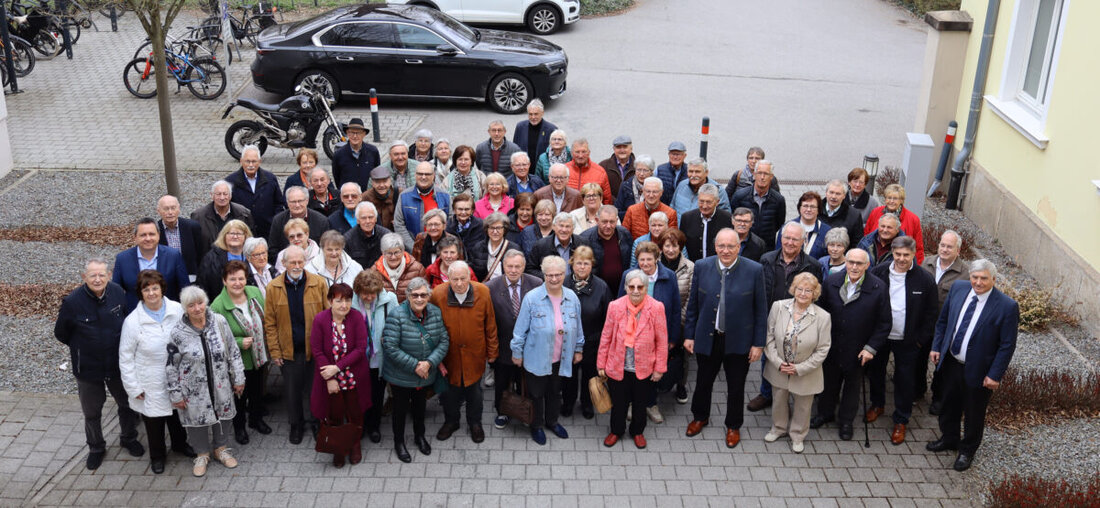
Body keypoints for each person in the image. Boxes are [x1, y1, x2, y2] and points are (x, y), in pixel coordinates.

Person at [927, 259, 1018, 472]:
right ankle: (949, 438)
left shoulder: (1006, 306)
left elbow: (1007, 345)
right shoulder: (959, 288)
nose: (978, 282)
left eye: (984, 278)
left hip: (979, 370)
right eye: (975, 277)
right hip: (950, 362)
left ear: (994, 280)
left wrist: (995, 375)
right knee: (948, 404)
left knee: (974, 412)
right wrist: (937, 346)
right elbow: (943, 321)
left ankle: (967, 450)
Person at [56, 259, 144, 471]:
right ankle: (96, 448)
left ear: (109, 275)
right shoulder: (72, 302)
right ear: (84, 277)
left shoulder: (117, 292)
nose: (97, 279)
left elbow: (126, 321)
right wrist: (83, 347)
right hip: (88, 368)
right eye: (92, 275)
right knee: (92, 412)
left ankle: (128, 437)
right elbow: (61, 333)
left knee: (127, 404)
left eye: (101, 275)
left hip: (116, 364)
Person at [683, 229, 766, 449]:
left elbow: (760, 310)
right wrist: (689, 335)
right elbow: (693, 305)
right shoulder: (702, 266)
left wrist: (758, 343)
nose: (726, 251)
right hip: (708, 338)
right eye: (721, 246)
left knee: (736, 386)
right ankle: (700, 417)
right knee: (703, 381)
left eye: (731, 246)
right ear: (715, 246)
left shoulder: (754, 270)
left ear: (739, 247)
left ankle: (733, 425)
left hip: (739, 340)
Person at [865, 236, 938, 445]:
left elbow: (931, 313)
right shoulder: (879, 272)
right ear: (893, 253)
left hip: (908, 340)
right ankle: (877, 404)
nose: (902, 259)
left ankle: (901, 419)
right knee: (876, 372)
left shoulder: (924, 279)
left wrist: (920, 341)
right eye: (898, 254)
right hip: (881, 335)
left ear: (914, 254)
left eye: (906, 255)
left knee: (904, 379)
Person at [166, 286, 246, 477]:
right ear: (185, 308)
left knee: (225, 415)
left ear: (206, 302)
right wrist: (175, 393)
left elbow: (233, 351)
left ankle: (220, 449)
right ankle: (202, 454)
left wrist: (239, 377)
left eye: (200, 303)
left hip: (221, 383)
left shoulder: (219, 321)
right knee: (196, 422)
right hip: (193, 389)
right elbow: (170, 365)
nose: (197, 308)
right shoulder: (177, 332)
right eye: (191, 305)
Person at [811, 248, 890, 441]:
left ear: (867, 265)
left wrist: (870, 348)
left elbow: (884, 323)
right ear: (845, 262)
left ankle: (846, 421)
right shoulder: (831, 281)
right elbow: (820, 311)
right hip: (832, 344)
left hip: (858, 349)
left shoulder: (879, 288)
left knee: (852, 388)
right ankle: (825, 413)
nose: (854, 267)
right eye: (851, 262)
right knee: (828, 382)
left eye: (859, 263)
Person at [118, 270, 193, 474]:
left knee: (177, 415)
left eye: (155, 288)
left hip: (177, 377)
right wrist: (133, 387)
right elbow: (125, 358)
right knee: (154, 421)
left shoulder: (178, 310)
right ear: (140, 293)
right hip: (149, 380)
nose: (151, 293)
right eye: (146, 289)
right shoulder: (132, 322)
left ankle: (179, 444)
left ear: (162, 289)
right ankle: (157, 456)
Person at [751, 223, 824, 412]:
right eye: (786, 238)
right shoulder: (766, 259)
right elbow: (759, 289)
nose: (790, 242)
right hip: (771, 318)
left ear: (803, 241)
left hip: (799, 322)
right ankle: (767, 393)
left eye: (795, 239)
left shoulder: (812, 265)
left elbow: (816, 295)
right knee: (770, 357)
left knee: (796, 357)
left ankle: (794, 393)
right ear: (781, 238)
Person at [511, 256, 584, 445]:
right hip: (536, 357)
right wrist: (517, 353)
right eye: (549, 275)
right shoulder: (532, 298)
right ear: (544, 275)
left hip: (561, 356)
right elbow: (520, 330)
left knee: (554, 392)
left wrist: (578, 348)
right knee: (536, 394)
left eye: (558, 274)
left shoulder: (572, 297)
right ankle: (536, 425)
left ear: (564, 274)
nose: (554, 279)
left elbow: (579, 326)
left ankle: (552, 421)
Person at [263, 246, 330, 445]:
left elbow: (327, 316)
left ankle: (317, 421)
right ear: (283, 264)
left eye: (300, 262)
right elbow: (270, 322)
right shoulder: (273, 288)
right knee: (292, 392)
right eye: (292, 262)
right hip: (288, 349)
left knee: (315, 389)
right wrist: (275, 351)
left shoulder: (318, 283)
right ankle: (296, 424)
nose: (297, 266)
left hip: (314, 348)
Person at [598, 269, 669, 449]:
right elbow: (606, 336)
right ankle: (616, 430)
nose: (636, 290)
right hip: (618, 365)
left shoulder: (657, 307)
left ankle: (637, 432)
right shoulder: (615, 306)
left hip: (644, 367)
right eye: (632, 287)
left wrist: (659, 367)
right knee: (619, 404)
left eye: (640, 287)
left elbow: (662, 340)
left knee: (640, 403)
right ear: (626, 287)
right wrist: (601, 363)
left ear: (646, 288)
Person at [382, 278, 449, 463]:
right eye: (415, 295)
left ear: (429, 296)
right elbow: (390, 346)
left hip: (425, 373)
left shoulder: (435, 312)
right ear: (408, 296)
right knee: (400, 410)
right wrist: (415, 366)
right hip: (401, 375)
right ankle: (399, 442)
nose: (419, 299)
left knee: (420, 407)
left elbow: (444, 341)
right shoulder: (396, 315)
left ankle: (420, 436)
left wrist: (428, 363)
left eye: (424, 295)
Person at [762, 272, 831, 454]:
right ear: (793, 289)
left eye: (808, 290)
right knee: (778, 399)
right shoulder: (778, 307)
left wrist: (800, 368)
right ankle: (778, 428)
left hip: (806, 372)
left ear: (814, 293)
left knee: (803, 404)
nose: (802, 293)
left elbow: (823, 349)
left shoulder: (823, 317)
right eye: (799, 289)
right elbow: (768, 337)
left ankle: (798, 435)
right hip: (779, 367)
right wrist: (777, 362)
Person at [430, 261, 497, 443]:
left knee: (475, 392)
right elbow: (431, 326)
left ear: (469, 277)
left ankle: (475, 423)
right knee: (449, 393)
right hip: (448, 356)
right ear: (448, 279)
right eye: (454, 279)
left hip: (475, 354)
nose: (459, 283)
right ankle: (451, 422)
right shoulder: (438, 294)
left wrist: (492, 352)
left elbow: (490, 323)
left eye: (463, 278)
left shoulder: (482, 292)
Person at [209, 260, 272, 446]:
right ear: (224, 281)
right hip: (238, 362)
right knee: (239, 396)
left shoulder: (253, 292)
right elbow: (214, 338)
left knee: (257, 391)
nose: (238, 283)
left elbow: (265, 314)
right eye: (232, 279)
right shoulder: (217, 306)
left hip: (259, 356)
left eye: (241, 278)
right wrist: (237, 342)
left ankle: (256, 419)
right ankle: (240, 428)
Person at [310, 282, 372, 468]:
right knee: (334, 415)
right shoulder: (320, 320)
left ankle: (354, 445)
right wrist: (329, 378)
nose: (344, 305)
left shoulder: (356, 317)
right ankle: (338, 448)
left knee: (355, 414)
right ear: (330, 301)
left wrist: (336, 368)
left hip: (353, 376)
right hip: (330, 379)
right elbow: (317, 351)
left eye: (347, 300)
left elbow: (361, 349)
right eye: (339, 300)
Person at [624, 241, 682, 424]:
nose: (645, 264)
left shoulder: (669, 276)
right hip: (633, 333)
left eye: (649, 259)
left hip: (658, 334)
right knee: (633, 370)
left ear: (657, 258)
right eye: (642, 259)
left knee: (652, 370)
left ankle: (650, 404)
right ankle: (632, 403)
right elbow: (620, 304)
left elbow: (675, 309)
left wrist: (672, 338)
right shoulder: (628, 275)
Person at [484, 251, 542, 429]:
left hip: (529, 346)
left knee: (525, 381)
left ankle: (524, 410)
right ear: (503, 266)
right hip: (503, 345)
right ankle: (502, 412)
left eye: (518, 266)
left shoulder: (536, 284)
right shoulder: (490, 287)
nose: (513, 270)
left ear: (524, 267)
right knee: (502, 381)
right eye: (509, 266)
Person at [921, 230, 970, 414]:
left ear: (958, 250)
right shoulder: (927, 262)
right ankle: (918, 390)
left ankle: (937, 397)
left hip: (946, 327)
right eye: (942, 245)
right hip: (924, 322)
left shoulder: (965, 273)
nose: (945, 249)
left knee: (940, 364)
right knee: (919, 358)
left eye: (950, 246)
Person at [561, 247, 611, 419]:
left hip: (592, 340)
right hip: (568, 340)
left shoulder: (602, 286)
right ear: (572, 264)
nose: (582, 267)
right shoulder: (563, 283)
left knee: (590, 374)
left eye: (586, 263)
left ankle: (587, 404)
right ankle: (568, 402)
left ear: (592, 265)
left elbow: (608, 317)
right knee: (569, 375)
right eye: (578, 263)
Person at [351, 270, 399, 444]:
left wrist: (389, 337)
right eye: (365, 294)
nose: (369, 297)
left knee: (377, 394)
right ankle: (361, 425)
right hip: (359, 359)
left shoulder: (390, 300)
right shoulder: (351, 301)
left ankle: (374, 426)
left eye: (373, 294)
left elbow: (397, 324)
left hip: (379, 358)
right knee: (359, 393)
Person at [113, 217, 190, 312]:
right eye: (143, 235)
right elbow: (115, 292)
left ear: (159, 235)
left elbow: (185, 288)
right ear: (135, 237)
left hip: (169, 314)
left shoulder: (173, 256)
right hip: (135, 315)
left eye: (152, 234)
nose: (148, 238)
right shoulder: (122, 259)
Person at [657, 228, 694, 403]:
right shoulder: (654, 264)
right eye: (667, 246)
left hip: (680, 322)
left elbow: (691, 298)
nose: (671, 250)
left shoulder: (690, 267)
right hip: (656, 321)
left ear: (681, 247)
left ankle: (680, 385)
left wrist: (679, 322)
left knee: (681, 357)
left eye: (675, 246)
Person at [226, 146, 286, 240]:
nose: (250, 165)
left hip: (268, 232)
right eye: (247, 161)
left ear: (259, 161)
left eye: (254, 161)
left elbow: (279, 203)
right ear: (241, 161)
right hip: (242, 233)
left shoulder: (270, 179)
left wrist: (275, 222)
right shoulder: (230, 182)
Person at [394, 161, 453, 250]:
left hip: (440, 249)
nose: (423, 177)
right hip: (412, 249)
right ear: (415, 175)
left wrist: (441, 245)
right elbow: (399, 224)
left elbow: (450, 221)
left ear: (433, 176)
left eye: (427, 174)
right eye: (420, 174)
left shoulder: (445, 196)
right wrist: (414, 247)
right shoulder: (404, 196)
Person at [863, 184, 926, 264]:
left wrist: (916, 269)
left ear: (901, 200)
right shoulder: (875, 212)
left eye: (895, 198)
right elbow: (867, 236)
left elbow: (918, 248)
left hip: (900, 263)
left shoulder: (913, 219)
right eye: (889, 198)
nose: (891, 201)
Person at [190, 180, 254, 256]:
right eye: (218, 194)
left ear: (230, 196)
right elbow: (194, 245)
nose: (222, 197)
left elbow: (251, 241)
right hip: (210, 262)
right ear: (212, 195)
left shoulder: (244, 214)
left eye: (225, 194)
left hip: (237, 261)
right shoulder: (198, 216)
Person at [578, 205, 632, 294]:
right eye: (604, 222)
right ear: (597, 220)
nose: (608, 226)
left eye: (612, 222)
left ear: (617, 221)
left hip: (622, 289)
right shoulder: (585, 239)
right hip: (596, 291)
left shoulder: (624, 234)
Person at [729, 160, 785, 245]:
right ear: (754, 175)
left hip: (767, 245)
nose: (762, 177)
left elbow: (779, 223)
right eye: (759, 173)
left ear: (771, 177)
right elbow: (732, 218)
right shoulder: (740, 196)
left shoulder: (778, 200)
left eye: (766, 174)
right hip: (744, 244)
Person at [198, 220, 253, 299]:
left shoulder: (253, 255)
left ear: (246, 236)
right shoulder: (211, 257)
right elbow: (202, 284)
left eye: (239, 234)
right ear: (224, 236)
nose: (235, 236)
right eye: (231, 233)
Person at [268, 186, 331, 253]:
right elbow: (273, 249)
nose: (297, 205)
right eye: (293, 202)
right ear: (287, 203)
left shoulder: (321, 221)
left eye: (300, 201)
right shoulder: (278, 221)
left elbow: (326, 249)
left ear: (307, 201)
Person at [679, 184, 732, 261]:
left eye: (708, 202)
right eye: (701, 201)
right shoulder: (687, 218)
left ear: (717, 202)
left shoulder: (727, 219)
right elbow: (681, 245)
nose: (704, 206)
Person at [156, 195, 204, 280]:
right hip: (165, 278)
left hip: (191, 277)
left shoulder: (192, 227)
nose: (170, 212)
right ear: (158, 211)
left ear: (179, 209)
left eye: (173, 208)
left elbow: (201, 254)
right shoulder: (155, 230)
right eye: (166, 209)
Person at [526, 213, 587, 278]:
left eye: (568, 226)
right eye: (561, 226)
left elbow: (592, 266)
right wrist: (549, 276)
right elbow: (530, 269)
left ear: (573, 228)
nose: (564, 230)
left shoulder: (582, 243)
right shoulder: (541, 245)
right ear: (553, 227)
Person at [373, 233, 426, 304]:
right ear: (383, 253)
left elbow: (425, 295)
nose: (393, 257)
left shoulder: (417, 269)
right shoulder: (374, 272)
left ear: (403, 251)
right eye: (389, 253)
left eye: (396, 252)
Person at [776, 192, 832, 259]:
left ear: (818, 210)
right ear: (799, 208)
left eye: (812, 207)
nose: (808, 210)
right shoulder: (787, 228)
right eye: (805, 206)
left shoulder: (827, 231)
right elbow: (778, 253)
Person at [331, 118, 381, 189]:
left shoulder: (373, 151)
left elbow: (376, 174)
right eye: (352, 132)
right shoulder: (339, 154)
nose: (355, 136)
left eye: (358, 133)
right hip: (348, 196)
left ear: (364, 134)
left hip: (367, 195)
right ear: (347, 133)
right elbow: (337, 177)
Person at [344, 201, 391, 271]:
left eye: (371, 217)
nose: (367, 221)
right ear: (358, 220)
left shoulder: (386, 236)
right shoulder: (348, 239)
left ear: (375, 219)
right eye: (363, 218)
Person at [447, 193, 488, 273]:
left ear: (472, 210)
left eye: (467, 209)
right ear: (454, 210)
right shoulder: (448, 227)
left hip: (477, 270)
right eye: (460, 209)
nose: (463, 212)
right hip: (454, 269)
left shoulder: (481, 226)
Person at [478, 212, 522, 282]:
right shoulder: (478, 248)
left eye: (498, 228)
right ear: (487, 229)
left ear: (504, 229)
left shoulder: (514, 248)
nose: (495, 232)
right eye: (492, 228)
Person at [566, 139, 612, 204]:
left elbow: (607, 200)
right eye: (577, 152)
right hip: (568, 213)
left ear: (589, 152)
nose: (580, 155)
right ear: (572, 153)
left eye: (584, 152)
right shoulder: (564, 170)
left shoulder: (600, 172)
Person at [513, 98, 557, 166]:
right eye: (530, 114)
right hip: (523, 169)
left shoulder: (552, 129)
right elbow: (515, 149)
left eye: (536, 114)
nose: (533, 117)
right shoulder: (520, 127)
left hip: (542, 170)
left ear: (542, 113)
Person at [820, 179, 864, 247]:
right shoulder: (815, 209)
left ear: (844, 196)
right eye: (831, 192)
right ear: (826, 193)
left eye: (838, 194)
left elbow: (857, 243)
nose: (834, 197)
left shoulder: (854, 215)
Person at [362, 166, 398, 230]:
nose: (381, 185)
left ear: (390, 181)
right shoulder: (365, 197)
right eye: (377, 182)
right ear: (372, 183)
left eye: (385, 181)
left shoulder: (398, 194)